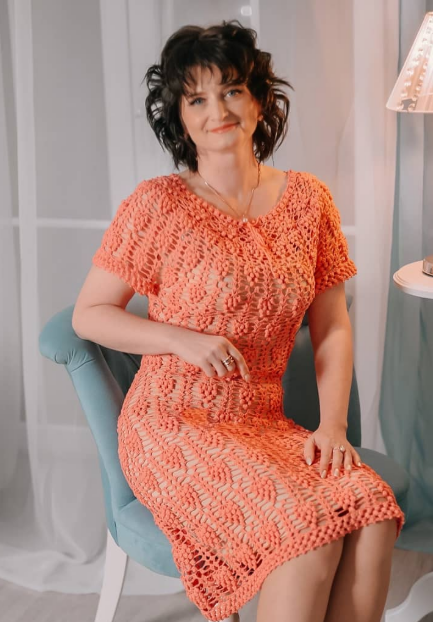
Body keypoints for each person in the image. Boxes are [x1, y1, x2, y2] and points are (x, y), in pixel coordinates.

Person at [72, 20, 405, 622]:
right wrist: (178, 338)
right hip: (172, 423)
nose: (217, 111)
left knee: (373, 511)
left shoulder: (309, 201)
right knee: (308, 532)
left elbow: (331, 326)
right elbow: (88, 315)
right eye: (196, 99)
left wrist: (333, 425)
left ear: (259, 100)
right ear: (179, 117)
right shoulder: (157, 204)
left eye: (230, 90)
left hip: (261, 420)